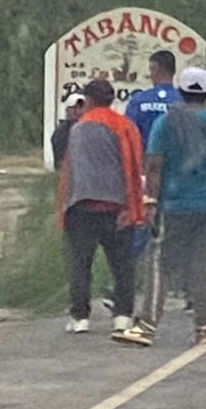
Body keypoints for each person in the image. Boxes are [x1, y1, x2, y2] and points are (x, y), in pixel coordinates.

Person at [114, 67, 206, 347]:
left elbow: (155, 166)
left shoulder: (166, 122)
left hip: (177, 202)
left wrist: (150, 202)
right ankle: (203, 327)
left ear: (182, 92)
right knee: (205, 264)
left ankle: (147, 324)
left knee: (161, 262)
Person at [57, 78, 144, 336]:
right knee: (121, 265)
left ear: (89, 100)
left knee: (80, 263)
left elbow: (68, 171)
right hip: (116, 207)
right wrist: (132, 206)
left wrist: (62, 206)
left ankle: (80, 316)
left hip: (80, 205)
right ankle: (123, 315)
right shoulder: (124, 126)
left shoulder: (77, 129)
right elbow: (133, 167)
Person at [123, 50, 181, 150]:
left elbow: (127, 133)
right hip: (177, 162)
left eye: (150, 69)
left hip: (145, 161)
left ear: (154, 69)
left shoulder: (138, 100)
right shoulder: (183, 100)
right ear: (174, 70)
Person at [51, 92, 86, 170]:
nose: (77, 111)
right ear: (67, 110)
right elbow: (60, 158)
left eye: (80, 107)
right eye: (73, 108)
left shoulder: (87, 128)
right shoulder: (62, 131)